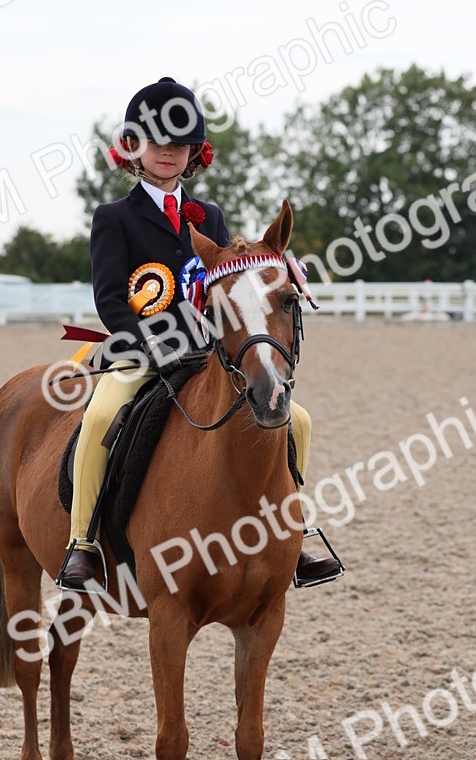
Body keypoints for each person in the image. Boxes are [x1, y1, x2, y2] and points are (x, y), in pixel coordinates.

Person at [57, 76, 342, 592]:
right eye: (155, 141)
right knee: (100, 415)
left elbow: (229, 287)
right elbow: (110, 299)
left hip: (205, 354)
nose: (167, 152)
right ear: (134, 148)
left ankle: (292, 533)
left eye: (179, 143)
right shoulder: (114, 218)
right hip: (141, 353)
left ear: (194, 152)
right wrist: (152, 344)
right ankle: (83, 542)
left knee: (296, 419)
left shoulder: (209, 216)